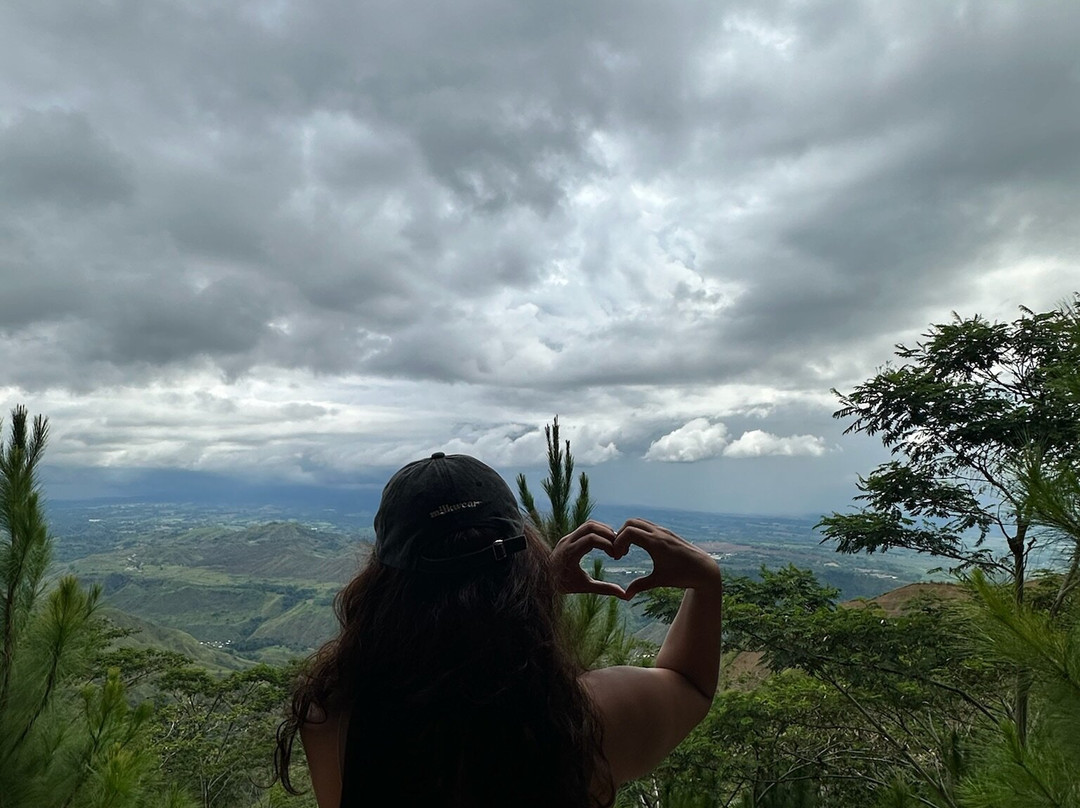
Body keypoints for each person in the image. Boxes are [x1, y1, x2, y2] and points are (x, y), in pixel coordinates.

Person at [273, 452, 723, 807]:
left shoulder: (333, 720)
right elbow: (690, 686)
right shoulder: (582, 720)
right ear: (523, 565)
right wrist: (705, 581)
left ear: (382, 585)